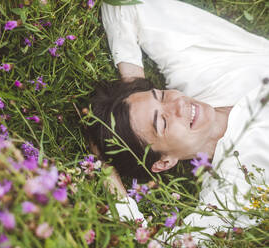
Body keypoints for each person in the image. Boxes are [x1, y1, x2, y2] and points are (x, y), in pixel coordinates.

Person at [89, 0, 269, 244]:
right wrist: (106, 171)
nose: (178, 104)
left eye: (160, 95)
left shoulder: (196, 69)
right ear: (164, 163)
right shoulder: (237, 188)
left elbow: (124, 5)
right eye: (162, 122)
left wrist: (135, 84)